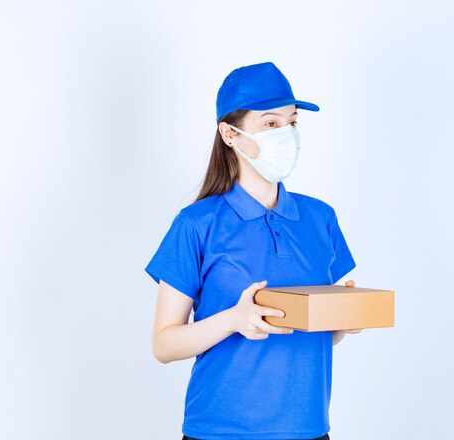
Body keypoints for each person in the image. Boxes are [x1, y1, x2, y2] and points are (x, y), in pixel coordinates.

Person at [145, 61, 362, 440]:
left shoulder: (320, 218)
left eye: (292, 122)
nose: (287, 134)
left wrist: (342, 321)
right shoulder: (197, 224)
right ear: (229, 135)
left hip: (308, 429)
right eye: (271, 123)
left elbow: (315, 337)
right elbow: (164, 344)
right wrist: (233, 319)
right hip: (220, 431)